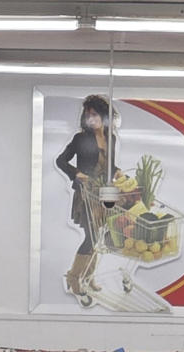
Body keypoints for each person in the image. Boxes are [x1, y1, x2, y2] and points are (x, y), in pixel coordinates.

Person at [54, 95, 120, 306]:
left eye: (95, 114)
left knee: (98, 236)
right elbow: (60, 160)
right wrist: (76, 173)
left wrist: (118, 173)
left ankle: (88, 278)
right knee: (91, 237)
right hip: (86, 193)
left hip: (104, 194)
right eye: (87, 115)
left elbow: (110, 166)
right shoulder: (80, 139)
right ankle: (74, 279)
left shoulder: (111, 138)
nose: (91, 118)